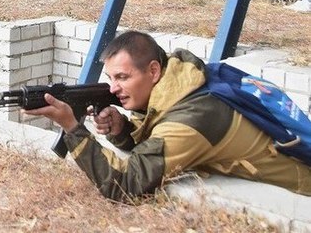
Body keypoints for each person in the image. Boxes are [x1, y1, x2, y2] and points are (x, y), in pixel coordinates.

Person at [26, 30, 311, 201]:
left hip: (300, 189)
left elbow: (126, 184)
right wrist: (122, 129)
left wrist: (73, 128)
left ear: (153, 71)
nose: (113, 88)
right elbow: (157, 139)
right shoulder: (182, 82)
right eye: (111, 78)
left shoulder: (193, 117)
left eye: (123, 77)